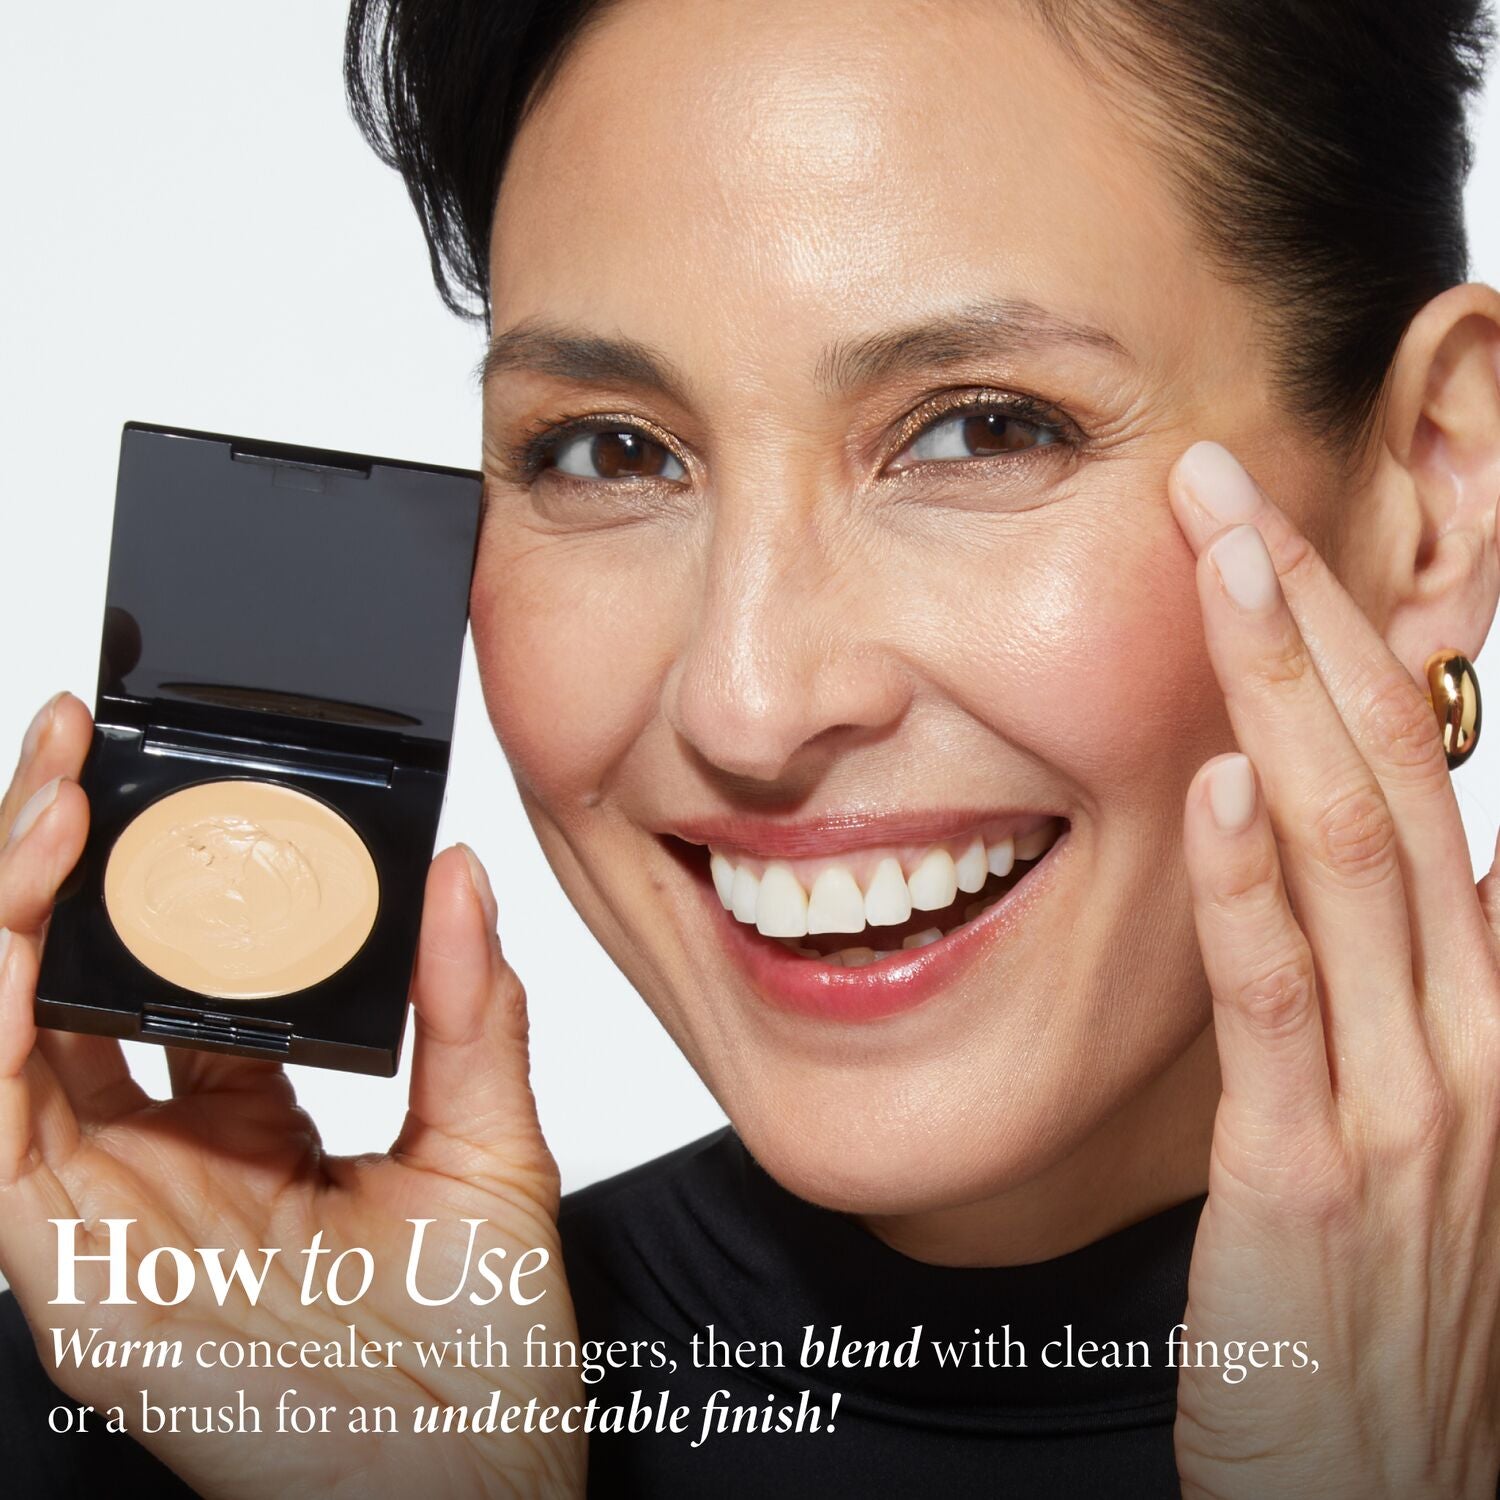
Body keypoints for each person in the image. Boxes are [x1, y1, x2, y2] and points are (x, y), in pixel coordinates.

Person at [3, 0, 1500, 1494]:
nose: (748, 701)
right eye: (611, 450)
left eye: (981, 431)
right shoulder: (199, 1405)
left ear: (1434, 496)